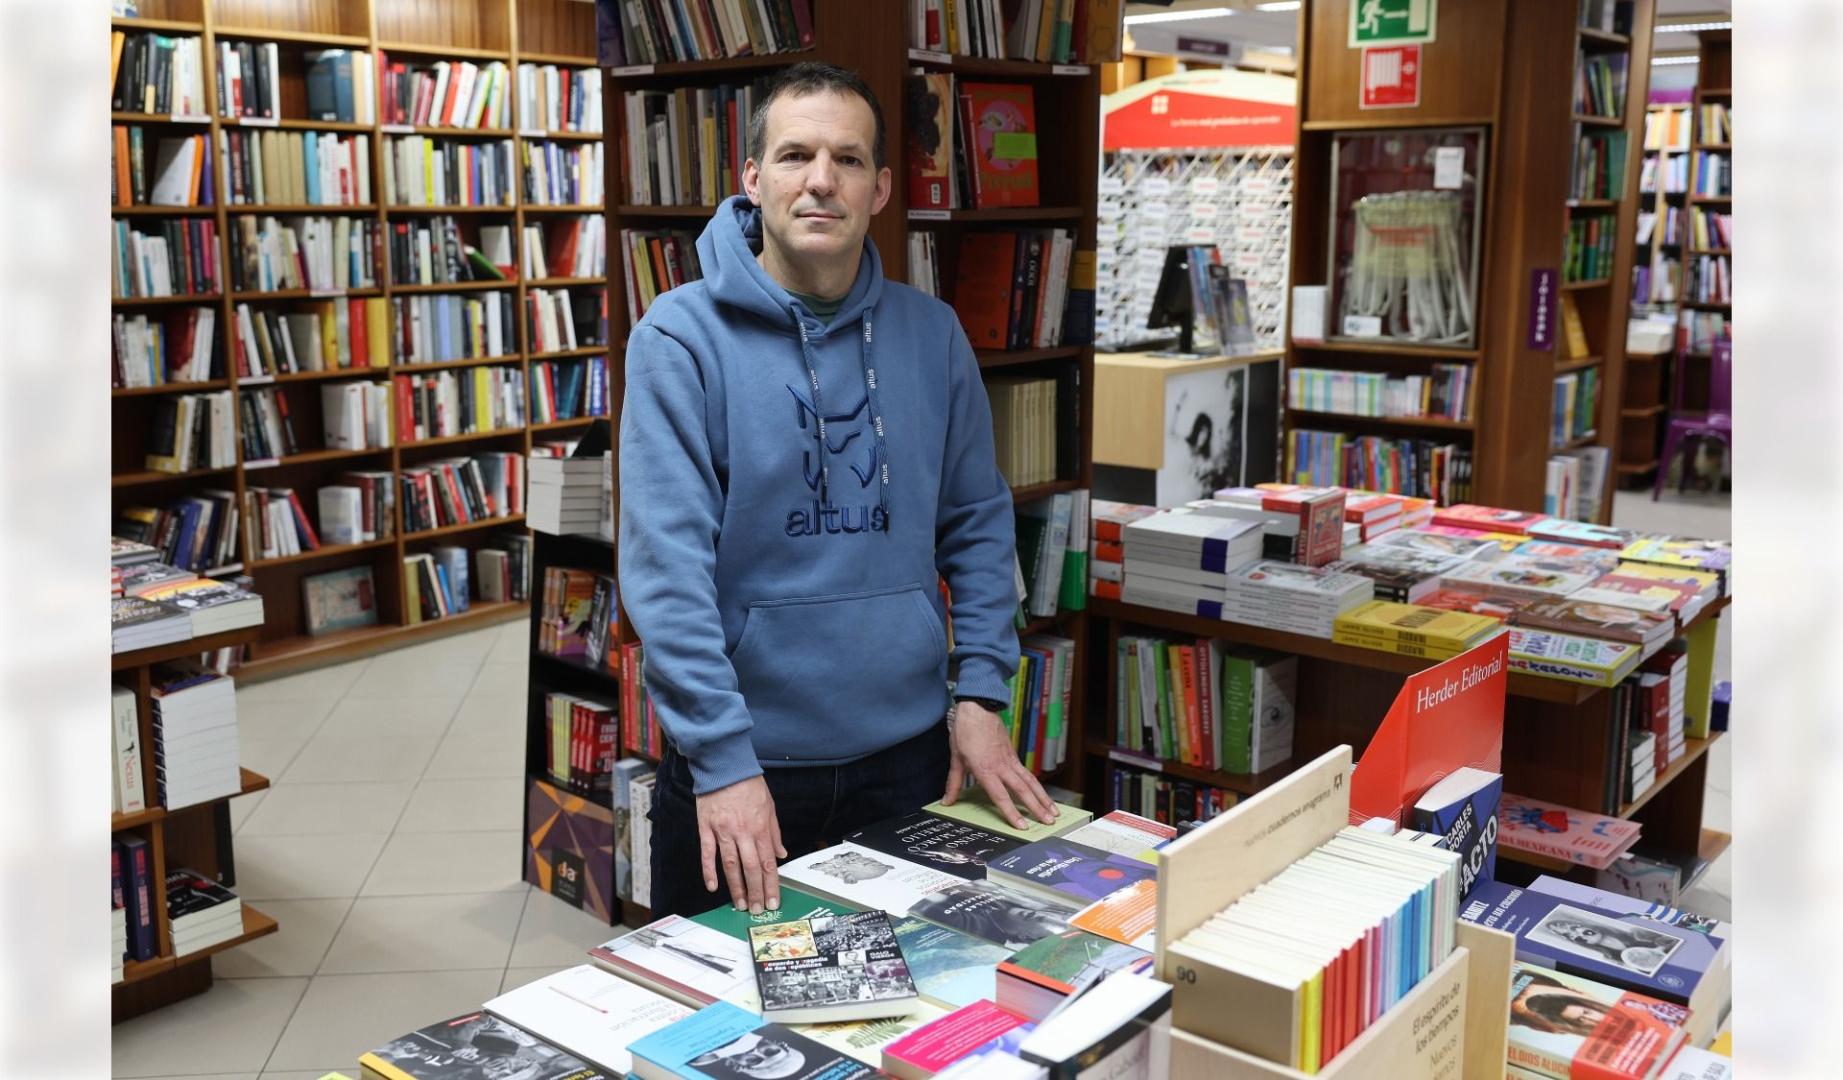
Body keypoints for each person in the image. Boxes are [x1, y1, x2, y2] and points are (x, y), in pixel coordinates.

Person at [620, 62, 1057, 920]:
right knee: (726, 1036)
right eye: (794, 155)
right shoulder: (677, 339)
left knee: (905, 1018)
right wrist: (722, 761)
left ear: (881, 188)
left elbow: (974, 524)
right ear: (752, 180)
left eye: (848, 160)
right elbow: (665, 572)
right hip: (748, 777)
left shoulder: (931, 335)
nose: (821, 180)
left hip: (905, 759)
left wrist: (979, 695)